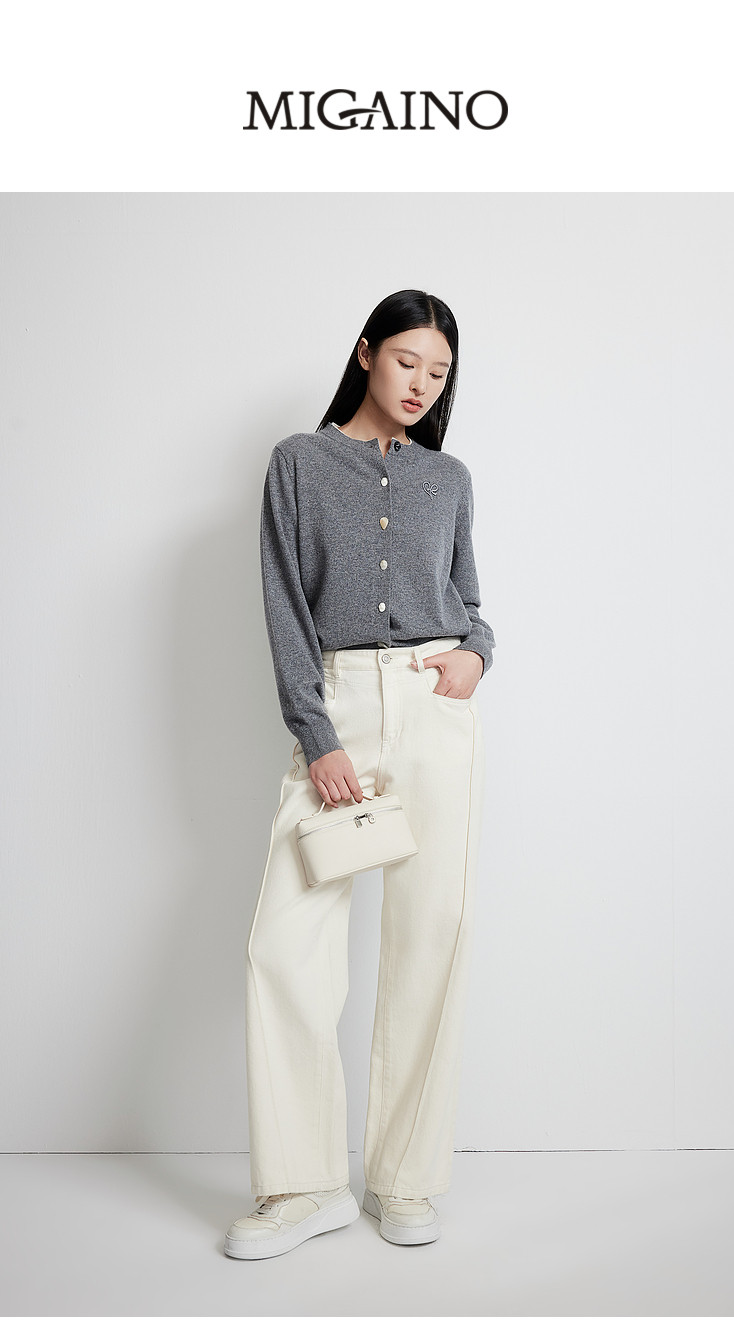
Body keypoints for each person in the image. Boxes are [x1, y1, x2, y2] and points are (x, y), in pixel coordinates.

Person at [225, 288, 495, 1260]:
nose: (422, 383)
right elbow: (284, 605)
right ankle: (305, 1184)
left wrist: (477, 655)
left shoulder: (450, 477)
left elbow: (471, 603)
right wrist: (319, 734)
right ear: (366, 351)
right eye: (407, 361)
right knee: (283, 945)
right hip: (337, 708)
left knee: (432, 936)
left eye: (439, 371)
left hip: (433, 708)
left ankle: (404, 1176)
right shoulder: (298, 463)